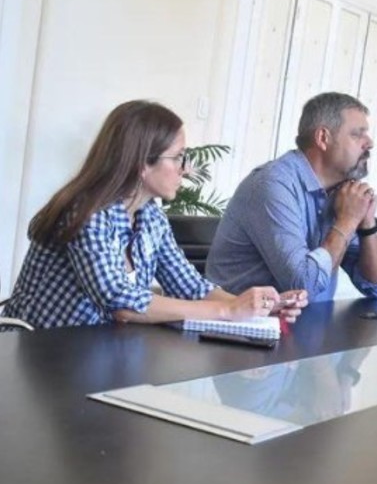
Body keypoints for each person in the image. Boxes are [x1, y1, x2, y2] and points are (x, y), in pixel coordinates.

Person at [2, 100, 308, 329]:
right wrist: (228, 311)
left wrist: (257, 307)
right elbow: (119, 302)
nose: (186, 169)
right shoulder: (87, 211)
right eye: (178, 157)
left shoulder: (150, 217)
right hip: (36, 354)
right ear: (142, 164)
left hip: (90, 353)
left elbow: (190, 286)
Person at [206, 92, 377, 302]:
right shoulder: (272, 186)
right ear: (323, 138)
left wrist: (367, 225)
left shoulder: (344, 194)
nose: (370, 143)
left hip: (304, 325)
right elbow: (304, 286)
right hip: (242, 327)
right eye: (358, 134)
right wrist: (347, 221)